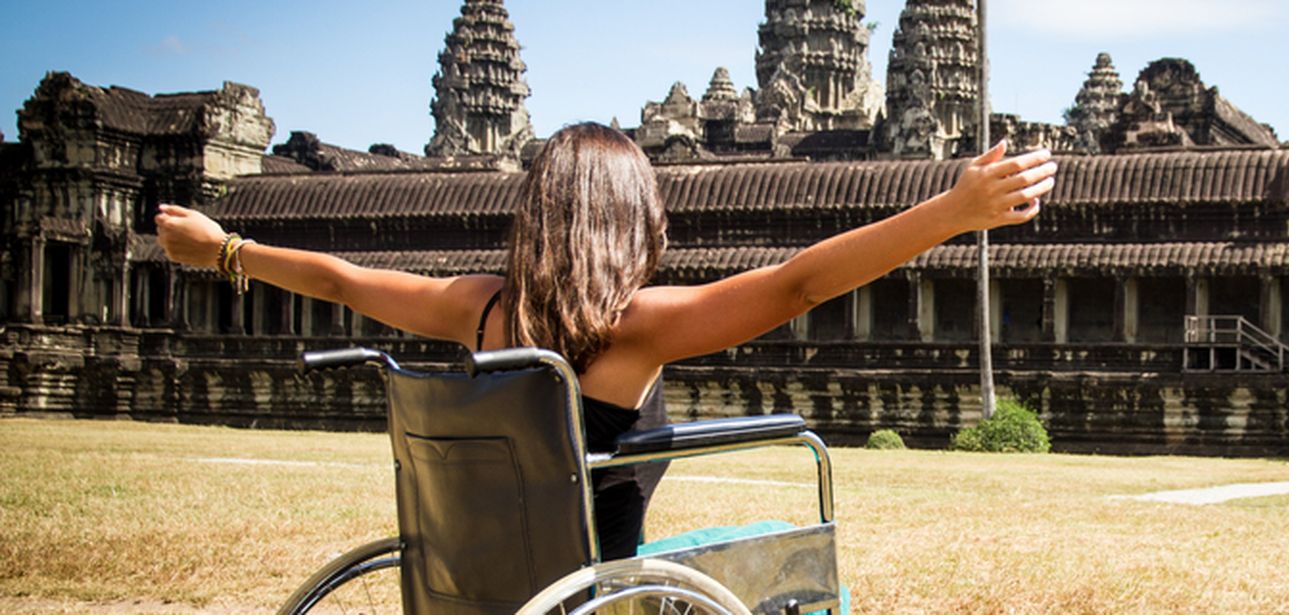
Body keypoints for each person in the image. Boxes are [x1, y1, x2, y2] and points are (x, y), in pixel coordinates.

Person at [154, 123, 1058, 559]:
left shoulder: (473, 307)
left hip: (482, 583)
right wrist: (953, 211)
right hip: (593, 592)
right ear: (633, 225)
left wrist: (222, 246)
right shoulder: (628, 329)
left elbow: (340, 281)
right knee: (785, 546)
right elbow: (799, 284)